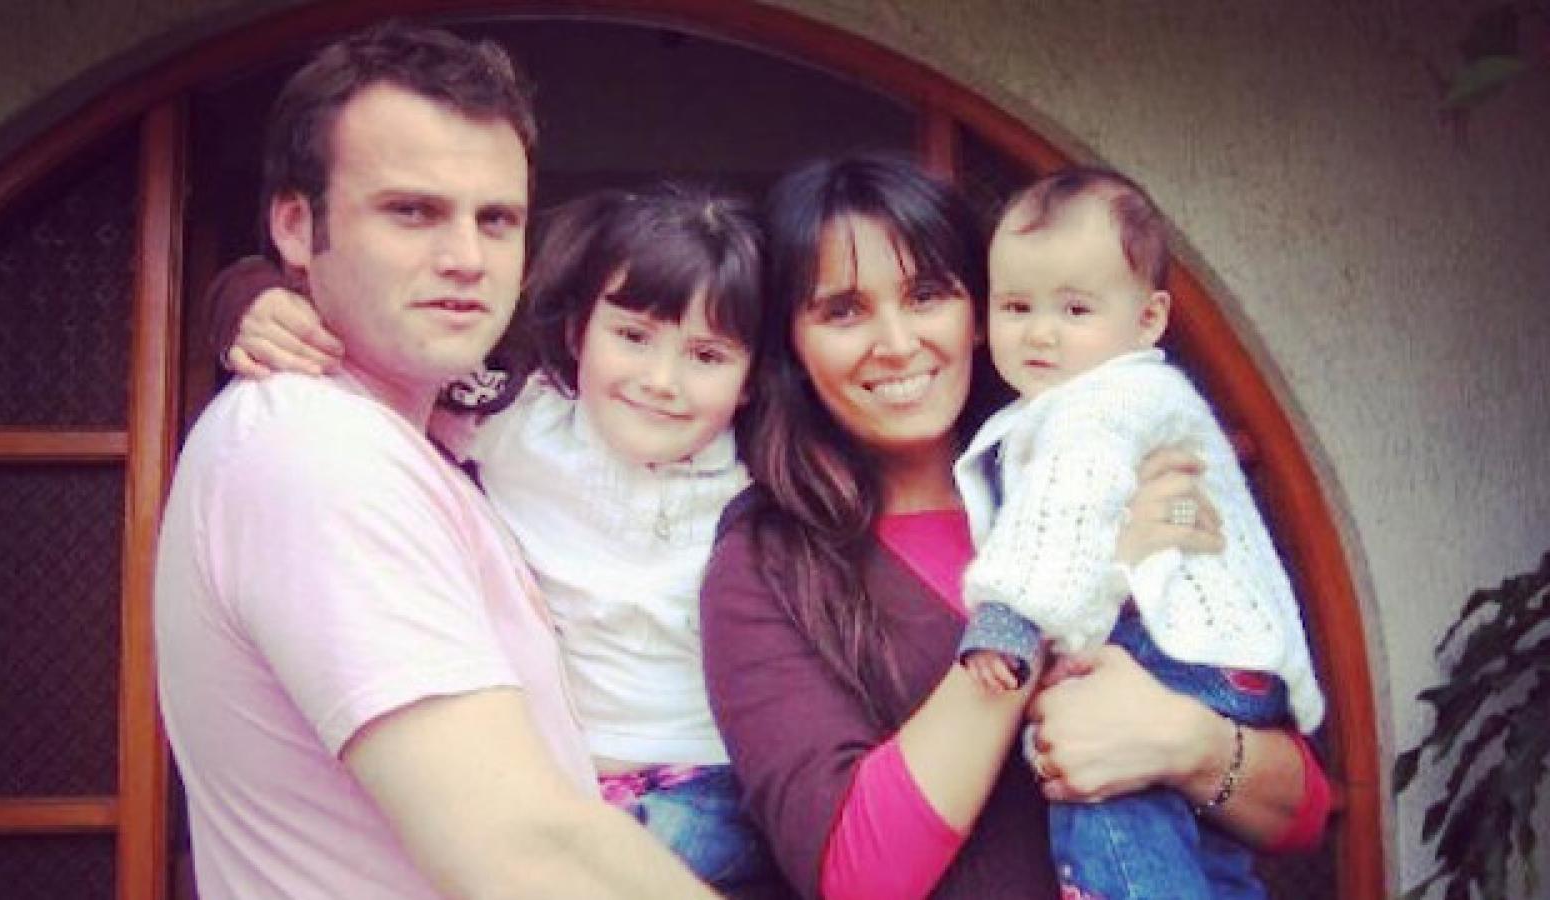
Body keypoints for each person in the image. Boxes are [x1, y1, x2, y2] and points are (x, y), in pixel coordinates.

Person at [154, 23, 711, 899]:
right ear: (296, 226)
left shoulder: (436, 430)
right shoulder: (316, 447)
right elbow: (523, 849)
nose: (465, 260)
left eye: (497, 220)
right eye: (411, 212)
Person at [699, 154, 1332, 899]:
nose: (897, 342)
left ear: (975, 312)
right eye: (843, 310)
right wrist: (1079, 589)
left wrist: (1182, 742)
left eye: (926, 294)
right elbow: (860, 877)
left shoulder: (1097, 459)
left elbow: (1302, 812)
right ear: (792, 345)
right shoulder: (765, 562)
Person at [208, 182, 776, 891]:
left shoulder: (764, 476)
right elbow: (372, 346)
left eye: (707, 356)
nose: (662, 381)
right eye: (633, 337)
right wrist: (247, 296)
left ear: (749, 380)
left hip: (709, 790)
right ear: (578, 333)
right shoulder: (517, 422)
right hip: (552, 786)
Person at [953, 166, 1325, 898]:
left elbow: (1069, 516)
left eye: (1076, 308)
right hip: (1223, 659)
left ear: (1149, 320)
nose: (1040, 332)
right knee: (1203, 857)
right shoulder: (1077, 403)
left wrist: (1008, 618)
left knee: (1107, 800)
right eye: (1017, 305)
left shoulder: (1104, 403)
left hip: (1174, 652)